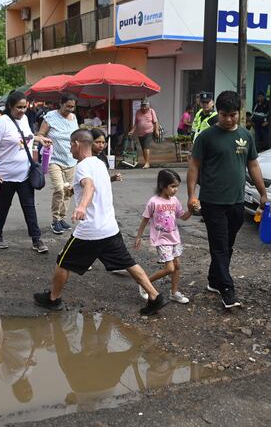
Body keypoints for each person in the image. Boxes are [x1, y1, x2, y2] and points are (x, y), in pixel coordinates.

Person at [33, 129, 170, 316]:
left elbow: (89, 186)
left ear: (76, 144)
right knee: (128, 263)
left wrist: (81, 206)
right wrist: (76, 193)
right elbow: (92, 188)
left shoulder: (82, 166)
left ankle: (53, 299)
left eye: (70, 146)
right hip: (109, 229)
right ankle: (154, 296)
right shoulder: (99, 163)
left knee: (63, 263)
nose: (70, 150)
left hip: (89, 231)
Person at [187, 90, 269, 308]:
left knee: (228, 244)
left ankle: (214, 280)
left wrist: (263, 192)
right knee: (220, 245)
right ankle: (227, 289)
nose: (229, 119)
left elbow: (253, 165)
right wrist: (191, 195)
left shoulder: (245, 136)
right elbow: (194, 166)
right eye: (224, 115)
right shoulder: (206, 137)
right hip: (212, 201)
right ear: (218, 112)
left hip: (236, 201)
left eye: (233, 115)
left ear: (239, 113)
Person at [0, 91, 50, 254]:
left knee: (29, 207)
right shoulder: (1, 122)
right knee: (3, 207)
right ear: (10, 106)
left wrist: (39, 139)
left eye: (24, 106)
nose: (22, 110)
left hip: (25, 174)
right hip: (5, 175)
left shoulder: (24, 120)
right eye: (19, 107)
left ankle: (37, 239)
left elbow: (26, 137)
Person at [135, 169, 193, 304]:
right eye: (172, 186)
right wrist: (138, 237)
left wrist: (191, 210)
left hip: (174, 238)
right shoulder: (153, 202)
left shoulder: (174, 200)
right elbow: (145, 219)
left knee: (177, 265)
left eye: (177, 186)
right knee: (170, 268)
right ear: (162, 185)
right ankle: (145, 283)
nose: (176, 189)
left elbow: (183, 217)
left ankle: (174, 293)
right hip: (161, 240)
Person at [37, 93, 80, 235]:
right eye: (67, 106)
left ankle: (62, 218)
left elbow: (76, 136)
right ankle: (55, 220)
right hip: (54, 159)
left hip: (71, 160)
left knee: (68, 191)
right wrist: (44, 140)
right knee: (59, 189)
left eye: (72, 107)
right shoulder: (50, 117)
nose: (70, 109)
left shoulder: (73, 118)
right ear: (60, 104)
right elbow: (40, 135)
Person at [129, 98, 158, 169]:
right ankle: (146, 161)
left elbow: (155, 122)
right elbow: (136, 123)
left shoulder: (151, 111)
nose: (144, 108)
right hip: (140, 133)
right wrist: (132, 131)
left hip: (149, 132)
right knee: (143, 148)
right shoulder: (138, 112)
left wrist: (156, 130)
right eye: (142, 106)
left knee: (146, 146)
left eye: (145, 106)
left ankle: (147, 163)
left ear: (148, 106)